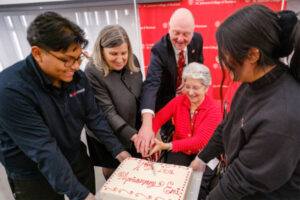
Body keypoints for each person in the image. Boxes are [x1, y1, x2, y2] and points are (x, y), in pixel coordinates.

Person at [0, 12, 130, 200]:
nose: (76, 66)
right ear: (37, 53)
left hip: (74, 156)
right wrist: (82, 195)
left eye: (79, 58)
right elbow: (43, 149)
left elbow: (94, 117)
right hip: (33, 173)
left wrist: (118, 150)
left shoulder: (77, 77)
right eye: (67, 60)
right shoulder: (10, 90)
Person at [190, 4, 300, 199]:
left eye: (226, 55)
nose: (222, 62)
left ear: (253, 55)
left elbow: (240, 180)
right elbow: (228, 125)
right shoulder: (252, 83)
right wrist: (201, 158)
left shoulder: (282, 116)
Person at [135, 8, 204, 157]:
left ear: (193, 32)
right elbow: (151, 84)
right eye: (176, 33)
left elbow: (199, 67)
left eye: (186, 34)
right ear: (169, 29)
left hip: (187, 101)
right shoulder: (159, 50)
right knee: (167, 141)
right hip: (164, 100)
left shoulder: (197, 40)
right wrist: (147, 125)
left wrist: (190, 80)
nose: (180, 39)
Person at [84, 25, 143, 180]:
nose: (120, 59)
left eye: (124, 53)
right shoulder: (92, 70)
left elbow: (141, 93)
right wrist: (135, 136)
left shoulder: (133, 59)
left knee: (136, 165)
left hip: (131, 123)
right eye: (113, 54)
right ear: (101, 51)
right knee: (112, 168)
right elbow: (108, 112)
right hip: (107, 131)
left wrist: (146, 125)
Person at [147, 62, 222, 167]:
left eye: (195, 88)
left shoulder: (214, 108)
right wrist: (149, 136)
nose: (190, 92)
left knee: (199, 181)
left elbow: (199, 141)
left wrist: (166, 146)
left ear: (206, 88)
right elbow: (158, 118)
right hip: (180, 150)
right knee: (174, 177)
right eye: (188, 86)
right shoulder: (179, 101)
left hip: (205, 153)